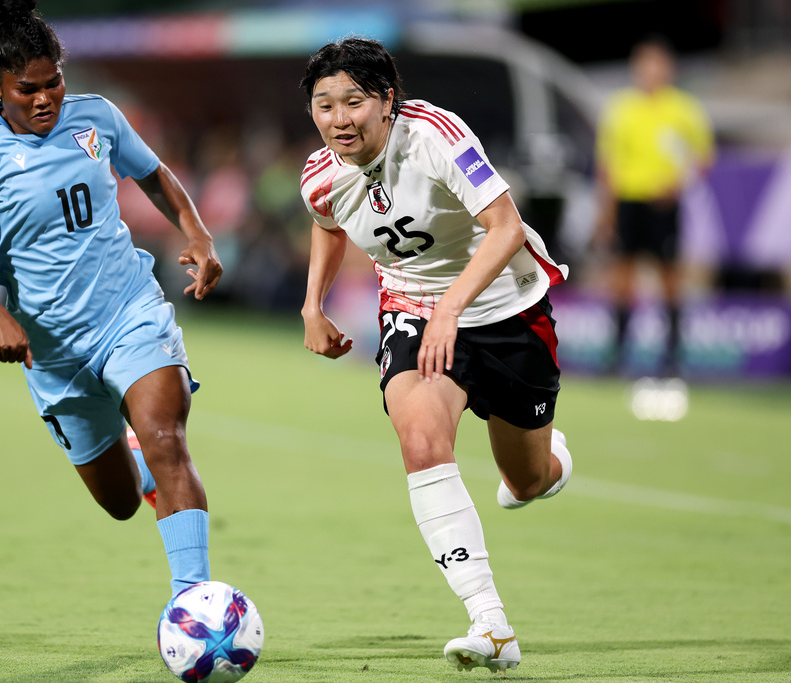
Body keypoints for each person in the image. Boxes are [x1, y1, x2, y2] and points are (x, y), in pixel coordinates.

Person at [0, 0, 222, 599]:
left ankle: (196, 603)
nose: (45, 99)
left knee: (167, 437)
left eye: (54, 81)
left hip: (128, 312)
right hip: (53, 352)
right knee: (118, 503)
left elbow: (154, 174)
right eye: (27, 89)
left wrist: (196, 231)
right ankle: (128, 451)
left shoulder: (98, 118)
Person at [298, 38, 572, 673]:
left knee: (526, 481)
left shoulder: (434, 135)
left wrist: (453, 306)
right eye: (324, 106)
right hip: (415, 311)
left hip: (507, 310)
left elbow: (504, 226)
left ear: (387, 101)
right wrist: (314, 304)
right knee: (420, 440)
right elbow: (327, 221)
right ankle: (490, 621)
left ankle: (549, 464)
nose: (339, 119)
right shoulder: (321, 176)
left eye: (354, 102)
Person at [596, 36, 714, 377]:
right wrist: (607, 211)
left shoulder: (684, 109)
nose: (650, 71)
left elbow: (703, 159)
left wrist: (677, 184)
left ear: (668, 69)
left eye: (657, 63)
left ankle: (673, 357)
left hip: (664, 205)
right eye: (644, 63)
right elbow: (608, 166)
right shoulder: (621, 109)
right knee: (621, 278)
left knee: (670, 278)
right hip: (628, 202)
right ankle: (617, 355)